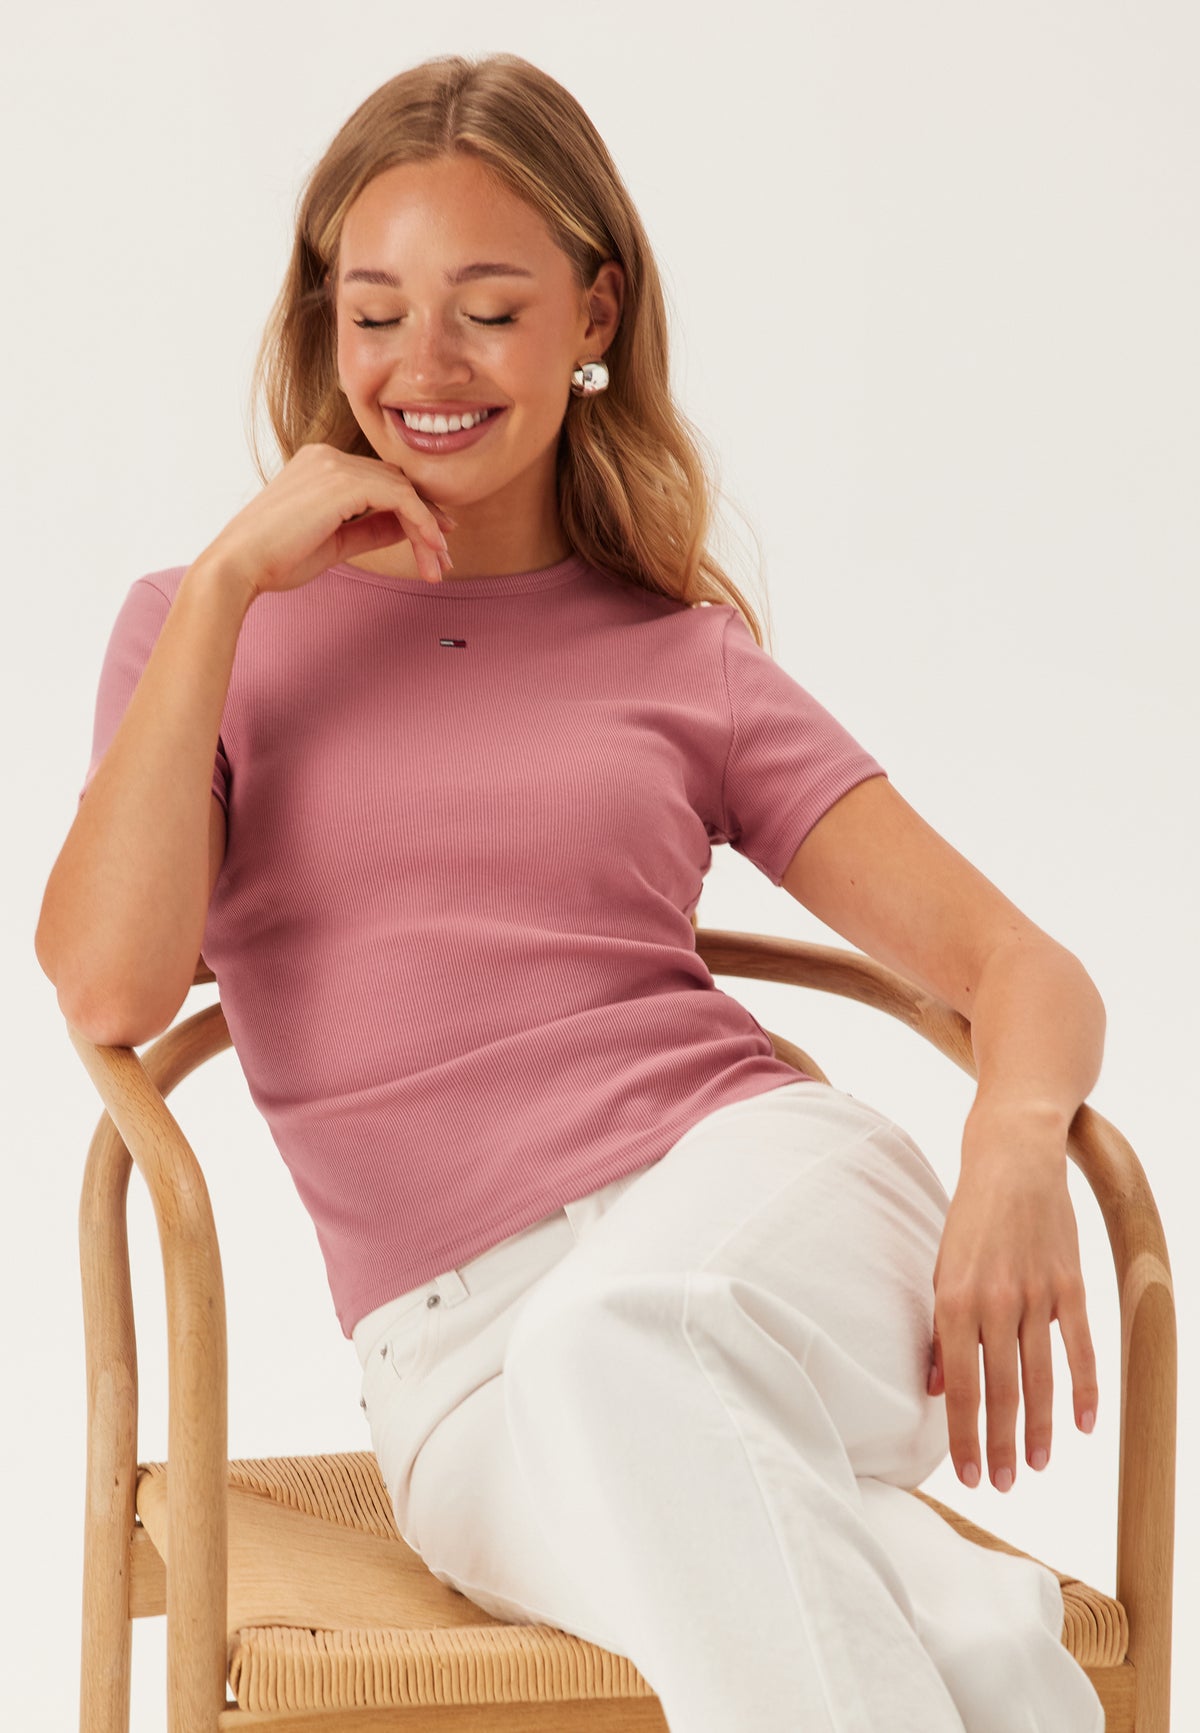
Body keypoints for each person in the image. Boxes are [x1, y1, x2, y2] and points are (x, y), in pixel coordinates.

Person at [37, 51, 1107, 1733]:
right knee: (950, 1631)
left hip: (766, 1209)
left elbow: (1022, 967)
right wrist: (236, 580)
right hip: (462, 1384)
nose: (424, 367)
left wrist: (1015, 1150)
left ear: (595, 312)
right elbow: (109, 985)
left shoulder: (681, 657)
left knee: (624, 1338)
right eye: (374, 312)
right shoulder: (198, 630)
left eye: (488, 310)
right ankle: (992, 1656)